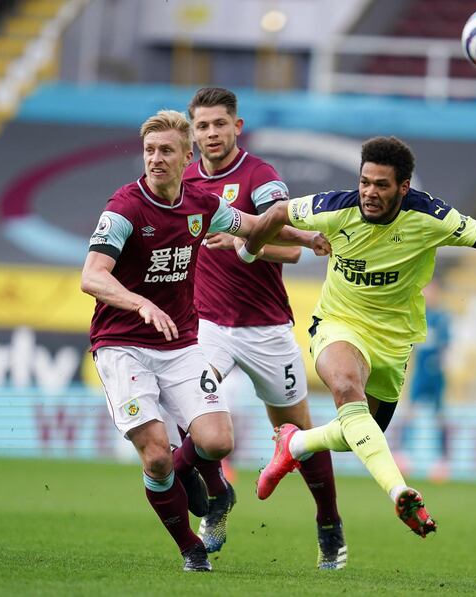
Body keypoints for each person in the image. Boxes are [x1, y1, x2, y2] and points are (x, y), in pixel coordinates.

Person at [239, 136, 476, 538]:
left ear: (404, 187)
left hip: (393, 343)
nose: (369, 192)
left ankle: (294, 445)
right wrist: (250, 250)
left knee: (360, 433)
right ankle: (399, 491)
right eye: (365, 181)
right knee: (347, 389)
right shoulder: (335, 207)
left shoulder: (430, 216)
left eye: (381, 184)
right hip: (338, 324)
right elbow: (276, 213)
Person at [80, 109, 325, 571]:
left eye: (166, 150)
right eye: (149, 150)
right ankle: (191, 548)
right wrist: (140, 303)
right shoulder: (124, 208)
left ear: (185, 156)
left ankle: (207, 479)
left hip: (179, 345)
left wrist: (307, 235)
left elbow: (254, 227)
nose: (155, 159)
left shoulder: (203, 205)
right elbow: (92, 276)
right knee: (156, 459)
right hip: (122, 344)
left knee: (217, 441)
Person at [177, 87, 346, 570]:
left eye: (218, 124)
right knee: (194, 419)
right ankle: (216, 498)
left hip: (267, 329)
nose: (210, 133)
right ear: (193, 132)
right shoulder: (185, 178)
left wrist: (242, 242)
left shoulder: (260, 175)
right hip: (207, 324)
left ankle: (329, 524)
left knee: (296, 432)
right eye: (202, 126)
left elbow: (290, 248)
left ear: (237, 127)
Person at [399, 278, 452, 480]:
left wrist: (441, 363)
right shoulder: (418, 316)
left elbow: (447, 346)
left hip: (436, 375)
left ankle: (443, 461)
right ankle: (403, 456)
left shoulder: (442, 318)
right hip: (419, 374)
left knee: (440, 417)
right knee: (409, 414)